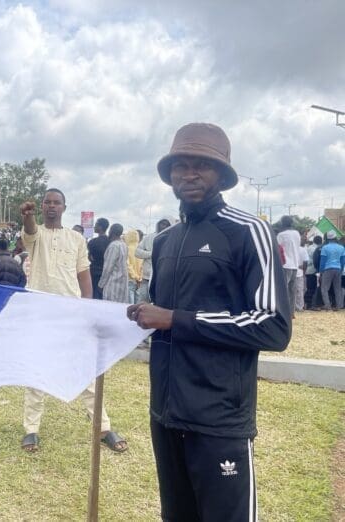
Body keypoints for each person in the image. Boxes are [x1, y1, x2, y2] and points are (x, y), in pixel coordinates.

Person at [127, 123, 291, 521]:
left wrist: (175, 319)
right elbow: (164, 318)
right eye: (180, 165)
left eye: (202, 164)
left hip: (219, 418)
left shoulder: (249, 232)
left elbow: (273, 325)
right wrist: (144, 316)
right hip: (165, 413)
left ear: (222, 174)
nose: (189, 174)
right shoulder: (166, 241)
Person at [19, 189, 127, 454]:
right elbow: (30, 230)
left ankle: (103, 428)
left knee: (86, 371)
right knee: (37, 372)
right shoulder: (35, 236)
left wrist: (86, 307)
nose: (52, 206)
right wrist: (28, 217)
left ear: (65, 207)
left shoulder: (76, 238)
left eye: (57, 203)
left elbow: (84, 275)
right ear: (42, 207)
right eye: (48, 203)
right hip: (41, 313)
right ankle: (31, 430)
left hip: (71, 314)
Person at [135, 219, 171, 303]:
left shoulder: (174, 239)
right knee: (142, 303)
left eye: (166, 224)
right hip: (146, 278)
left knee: (159, 304)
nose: (164, 226)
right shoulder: (149, 237)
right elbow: (137, 252)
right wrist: (152, 254)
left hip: (162, 280)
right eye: (162, 224)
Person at [276, 215, 301, 316]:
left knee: (283, 289)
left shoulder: (281, 235)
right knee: (292, 290)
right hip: (295, 265)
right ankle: (291, 312)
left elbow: (277, 249)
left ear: (283, 223)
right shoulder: (297, 233)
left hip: (285, 265)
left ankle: (283, 311)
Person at [98, 224, 128, 302]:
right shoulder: (123, 244)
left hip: (112, 283)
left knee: (109, 308)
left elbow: (108, 268)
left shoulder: (113, 246)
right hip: (122, 282)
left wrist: (101, 285)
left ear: (111, 231)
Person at [319, 230, 345, 310]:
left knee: (324, 288)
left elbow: (323, 261)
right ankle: (339, 306)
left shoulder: (325, 247)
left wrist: (321, 271)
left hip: (328, 269)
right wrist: (341, 270)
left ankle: (328, 306)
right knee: (337, 288)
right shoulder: (341, 247)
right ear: (335, 237)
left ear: (327, 238)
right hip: (338, 268)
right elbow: (343, 260)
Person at [87, 218, 110, 300]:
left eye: (96, 225)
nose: (94, 227)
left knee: (94, 296)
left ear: (100, 227)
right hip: (108, 274)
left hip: (94, 272)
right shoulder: (110, 241)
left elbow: (90, 257)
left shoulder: (92, 242)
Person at [124, 229, 142, 304]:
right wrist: (139, 278)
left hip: (130, 279)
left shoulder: (126, 249)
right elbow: (143, 266)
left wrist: (134, 276)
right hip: (140, 281)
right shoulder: (141, 249)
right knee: (138, 304)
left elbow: (127, 265)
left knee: (130, 304)